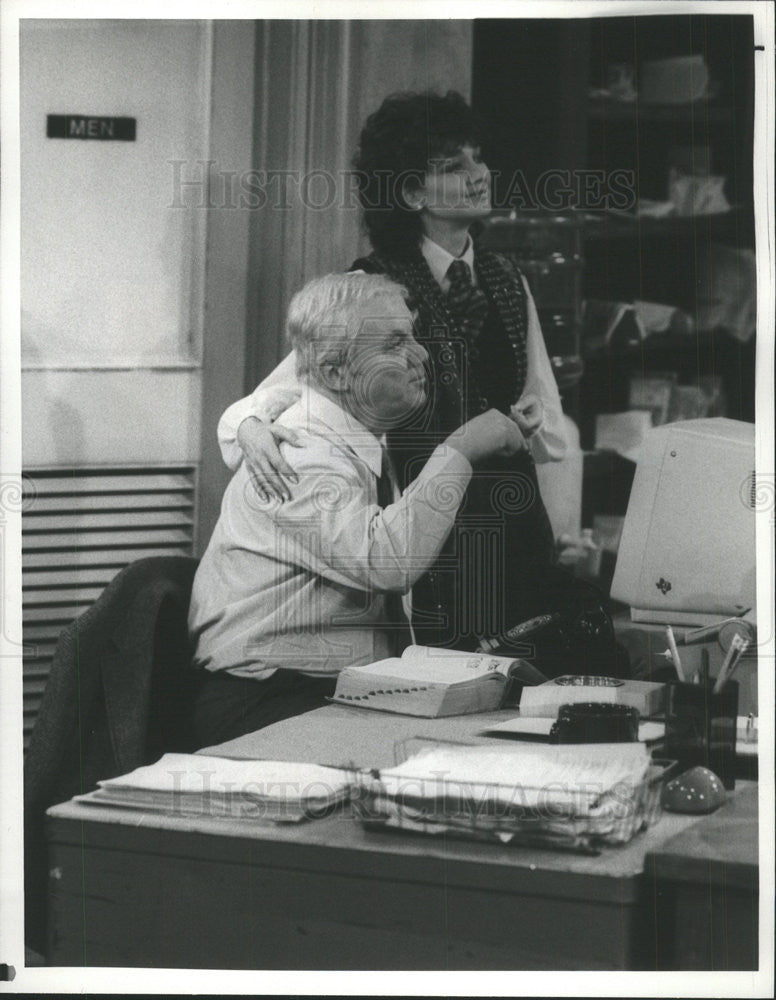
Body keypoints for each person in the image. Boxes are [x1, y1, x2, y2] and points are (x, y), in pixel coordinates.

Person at [218, 91, 614, 663]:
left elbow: (545, 413)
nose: (480, 176)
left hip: (514, 525)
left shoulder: (507, 279)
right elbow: (280, 391)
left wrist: (530, 420)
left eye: (479, 159)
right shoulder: (374, 285)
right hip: (429, 532)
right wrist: (250, 426)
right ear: (410, 192)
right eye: (455, 167)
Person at [189, 272, 527, 746]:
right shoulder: (300, 452)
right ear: (335, 373)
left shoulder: (347, 437)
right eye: (395, 344)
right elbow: (387, 561)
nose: (422, 355)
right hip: (265, 705)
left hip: (317, 691)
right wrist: (463, 447)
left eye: (412, 336)